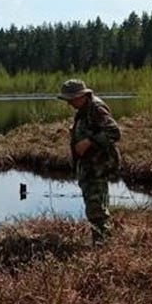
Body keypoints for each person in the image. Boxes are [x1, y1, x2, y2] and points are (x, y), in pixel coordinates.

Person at [58, 79, 121, 245]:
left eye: (70, 99)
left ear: (81, 96)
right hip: (91, 166)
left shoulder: (96, 108)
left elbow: (114, 132)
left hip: (97, 167)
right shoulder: (85, 109)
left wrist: (88, 141)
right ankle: (102, 242)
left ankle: (102, 246)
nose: (69, 103)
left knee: (96, 210)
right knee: (97, 205)